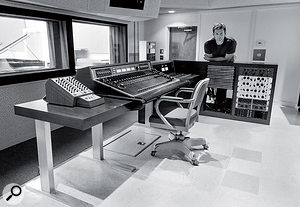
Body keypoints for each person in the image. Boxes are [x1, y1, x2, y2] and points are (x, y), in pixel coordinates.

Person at [204, 23, 237, 112]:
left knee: (222, 86)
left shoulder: (231, 42)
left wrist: (214, 59)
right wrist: (221, 59)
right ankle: (211, 104)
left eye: (221, 33)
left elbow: (226, 59)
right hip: (214, 67)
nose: (219, 36)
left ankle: (221, 106)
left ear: (225, 33)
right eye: (217, 34)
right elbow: (209, 59)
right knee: (210, 84)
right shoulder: (208, 44)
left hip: (227, 67)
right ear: (213, 34)